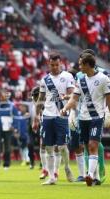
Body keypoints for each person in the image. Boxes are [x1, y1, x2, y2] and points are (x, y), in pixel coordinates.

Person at [61, 53, 110, 186]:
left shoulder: (104, 79)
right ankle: (93, 175)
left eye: (80, 64)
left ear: (87, 65)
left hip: (97, 117)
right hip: (83, 117)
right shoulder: (81, 80)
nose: (79, 67)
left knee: (93, 145)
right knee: (86, 146)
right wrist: (64, 109)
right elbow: (74, 98)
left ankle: (90, 175)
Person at [33, 52, 74, 185]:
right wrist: (36, 117)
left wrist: (65, 98)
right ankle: (51, 177)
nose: (55, 67)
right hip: (48, 115)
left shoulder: (68, 76)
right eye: (52, 65)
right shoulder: (45, 80)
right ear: (48, 64)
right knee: (49, 147)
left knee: (62, 147)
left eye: (57, 64)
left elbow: (73, 95)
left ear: (60, 63)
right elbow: (40, 99)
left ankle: (67, 167)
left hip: (61, 114)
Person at [0, 88, 19, 170]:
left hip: (9, 129)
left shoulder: (12, 105)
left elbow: (16, 117)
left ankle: (6, 164)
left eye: (3, 95)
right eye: (0, 95)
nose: (2, 97)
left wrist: (14, 127)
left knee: (7, 147)